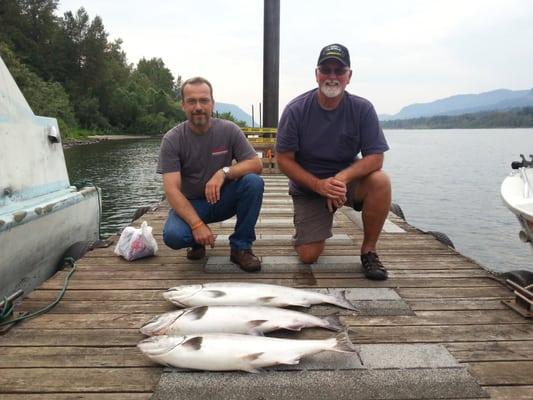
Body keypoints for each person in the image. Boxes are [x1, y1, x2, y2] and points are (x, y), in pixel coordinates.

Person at [276, 44, 391, 280]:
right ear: (316, 74)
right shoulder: (296, 110)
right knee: (308, 255)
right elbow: (284, 160)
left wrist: (340, 180)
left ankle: (369, 251)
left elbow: (376, 157)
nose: (332, 76)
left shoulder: (363, 108)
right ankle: (307, 230)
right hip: (309, 187)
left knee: (381, 181)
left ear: (349, 76)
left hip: (345, 183)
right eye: (326, 70)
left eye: (339, 71)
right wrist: (319, 186)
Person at [157, 76, 264, 272]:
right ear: (183, 105)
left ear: (212, 103)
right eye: (192, 101)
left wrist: (224, 172)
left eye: (204, 100)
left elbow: (256, 164)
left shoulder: (229, 130)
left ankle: (241, 248)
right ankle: (197, 241)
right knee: (174, 236)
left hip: (222, 199)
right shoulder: (172, 139)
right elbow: (171, 190)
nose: (198, 106)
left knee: (253, 182)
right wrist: (197, 224)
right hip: (192, 204)